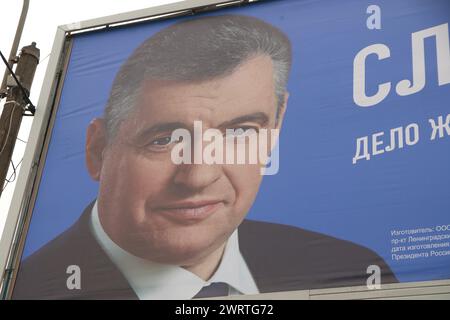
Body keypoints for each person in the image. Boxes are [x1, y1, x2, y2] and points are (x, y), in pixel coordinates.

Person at [12, 14, 397, 300]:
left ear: (277, 123)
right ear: (98, 150)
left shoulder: (355, 273)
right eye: (164, 140)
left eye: (239, 132)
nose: (198, 176)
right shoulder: (25, 290)